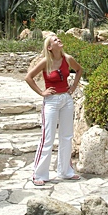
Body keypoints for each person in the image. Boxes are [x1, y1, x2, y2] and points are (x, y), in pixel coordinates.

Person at [25, 34, 82, 185]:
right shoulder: (45, 62)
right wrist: (41, 92)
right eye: (55, 40)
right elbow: (29, 77)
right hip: (51, 101)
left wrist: (73, 87)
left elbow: (79, 70)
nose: (59, 40)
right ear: (49, 47)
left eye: (58, 38)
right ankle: (39, 174)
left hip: (66, 99)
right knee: (47, 137)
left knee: (67, 136)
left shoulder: (67, 59)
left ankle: (65, 171)